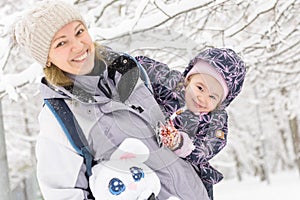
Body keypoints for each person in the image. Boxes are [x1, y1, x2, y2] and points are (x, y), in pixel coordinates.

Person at [11, 0, 210, 199]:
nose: (78, 45)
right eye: (61, 43)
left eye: (79, 32)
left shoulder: (131, 72)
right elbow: (64, 195)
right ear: (47, 58)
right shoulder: (60, 116)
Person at [136, 48, 246, 199]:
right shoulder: (174, 85)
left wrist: (182, 144)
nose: (202, 98)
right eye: (200, 87)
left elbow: (210, 144)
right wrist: (128, 65)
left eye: (212, 97)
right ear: (188, 79)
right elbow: (146, 67)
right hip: (148, 141)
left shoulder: (215, 119)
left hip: (187, 165)